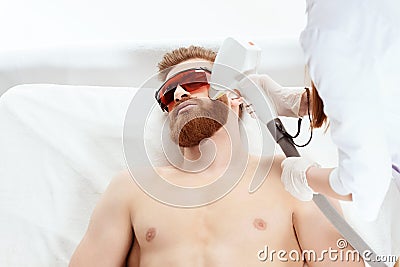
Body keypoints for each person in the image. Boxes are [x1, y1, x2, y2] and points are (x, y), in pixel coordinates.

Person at [69, 46, 364, 267]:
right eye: (168, 94)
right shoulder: (131, 188)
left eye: (194, 80)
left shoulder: (294, 180)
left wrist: (304, 103)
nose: (180, 94)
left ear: (237, 95)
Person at [241, 1, 400, 264]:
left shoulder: (331, 27)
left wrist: (306, 176)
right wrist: (305, 102)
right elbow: (380, 83)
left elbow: (365, 187)